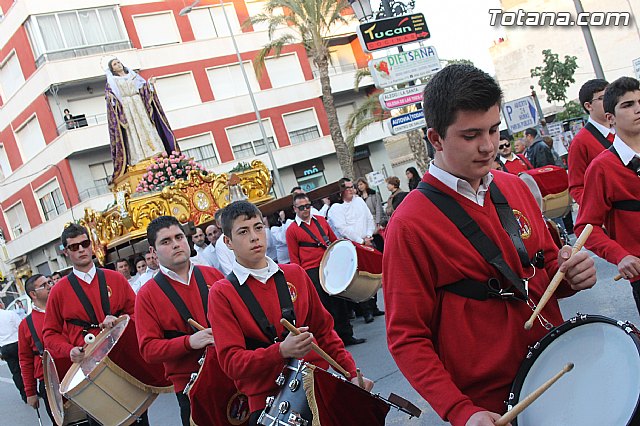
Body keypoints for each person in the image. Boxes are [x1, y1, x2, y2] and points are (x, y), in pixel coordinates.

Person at [383, 64, 597, 426]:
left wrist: (571, 276)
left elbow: (542, 273)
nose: (488, 146)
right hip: (492, 407)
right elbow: (406, 337)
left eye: (494, 130)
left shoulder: (515, 187)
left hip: (560, 368)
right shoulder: (408, 225)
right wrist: (459, 410)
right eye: (470, 135)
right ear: (435, 138)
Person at [209, 201, 373, 424]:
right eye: (243, 231)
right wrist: (280, 351)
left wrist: (352, 373)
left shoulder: (294, 274)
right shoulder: (222, 293)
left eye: (258, 227)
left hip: (319, 387)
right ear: (228, 242)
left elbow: (325, 332)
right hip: (269, 402)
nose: (255, 237)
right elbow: (231, 362)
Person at [43, 224, 165, 426]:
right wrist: (69, 350)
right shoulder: (59, 291)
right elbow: (50, 333)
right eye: (74, 247)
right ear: (66, 252)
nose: (81, 249)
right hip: (89, 368)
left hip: (124, 361)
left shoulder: (115, 278)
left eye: (84, 244)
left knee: (138, 419)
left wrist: (119, 323)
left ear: (91, 246)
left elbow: (138, 314)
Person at [135, 216, 225, 425]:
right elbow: (148, 349)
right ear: (153, 252)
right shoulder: (147, 294)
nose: (175, 244)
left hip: (230, 374)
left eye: (179, 237)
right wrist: (189, 342)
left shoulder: (213, 275)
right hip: (190, 386)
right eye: (165, 241)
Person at [575, 76, 640, 314]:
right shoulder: (601, 168)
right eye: (628, 105)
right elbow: (585, 227)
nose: (638, 108)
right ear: (610, 118)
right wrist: (620, 256)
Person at [286, 193, 366, 345]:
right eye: (302, 207)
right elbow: (294, 258)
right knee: (324, 307)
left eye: (308, 206)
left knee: (339, 302)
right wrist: (301, 280)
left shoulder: (321, 221)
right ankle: (333, 341)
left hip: (330, 265)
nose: (306, 210)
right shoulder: (291, 230)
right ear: (294, 209)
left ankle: (347, 335)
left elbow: (335, 242)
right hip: (312, 271)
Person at [105, 57, 178, 181]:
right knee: (133, 130)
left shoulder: (133, 76)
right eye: (115, 64)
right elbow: (110, 96)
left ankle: (156, 151)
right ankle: (140, 156)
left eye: (118, 62)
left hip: (138, 104)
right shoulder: (112, 82)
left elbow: (143, 89)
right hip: (127, 107)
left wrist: (150, 84)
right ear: (112, 69)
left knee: (147, 125)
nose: (118, 65)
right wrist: (111, 98)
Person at [568, 79, 614, 205]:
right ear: (588, 106)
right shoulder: (580, 142)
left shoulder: (624, 127)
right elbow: (577, 188)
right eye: (602, 98)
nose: (610, 100)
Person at [18, 275, 56, 422]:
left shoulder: (65, 310)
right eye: (44, 285)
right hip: (49, 383)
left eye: (50, 282)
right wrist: (30, 392)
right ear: (33, 294)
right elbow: (25, 360)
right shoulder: (26, 325)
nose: (49, 286)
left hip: (76, 375)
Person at [0, 299, 26, 403]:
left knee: (15, 372)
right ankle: (32, 391)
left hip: (5, 347)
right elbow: (21, 327)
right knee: (26, 367)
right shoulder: (10, 313)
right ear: (1, 304)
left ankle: (23, 394)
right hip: (17, 343)